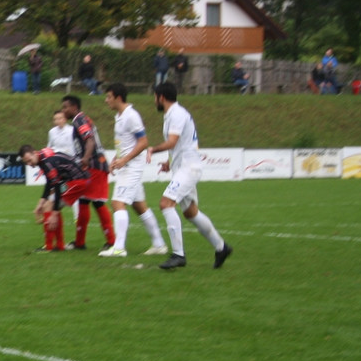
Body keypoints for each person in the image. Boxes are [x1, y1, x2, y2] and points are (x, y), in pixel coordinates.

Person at [146, 82, 233, 270]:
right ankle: (221, 247)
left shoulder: (176, 113)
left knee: (165, 204)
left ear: (161, 97)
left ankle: (178, 254)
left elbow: (172, 141)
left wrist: (153, 149)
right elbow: (180, 144)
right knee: (191, 213)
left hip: (188, 168)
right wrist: (170, 163)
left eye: (155, 97)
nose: (154, 101)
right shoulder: (172, 114)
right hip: (183, 167)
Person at [100, 83, 168, 258]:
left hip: (132, 167)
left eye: (108, 96)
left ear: (118, 97)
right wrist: (116, 159)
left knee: (117, 203)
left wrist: (124, 160)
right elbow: (124, 143)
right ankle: (159, 245)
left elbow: (143, 142)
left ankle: (119, 248)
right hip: (126, 165)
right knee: (139, 207)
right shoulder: (120, 116)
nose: (106, 100)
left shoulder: (131, 116)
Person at [60, 95, 116, 250]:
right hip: (93, 166)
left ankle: (112, 241)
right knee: (83, 201)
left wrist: (85, 159)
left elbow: (89, 140)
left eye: (65, 107)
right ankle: (80, 242)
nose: (63, 110)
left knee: (98, 202)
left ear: (74, 107)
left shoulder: (79, 120)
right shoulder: (81, 119)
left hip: (95, 166)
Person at [18, 145, 89, 252]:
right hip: (75, 180)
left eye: (29, 160)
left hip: (78, 182)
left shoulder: (47, 162)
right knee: (48, 206)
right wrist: (40, 203)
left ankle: (49, 246)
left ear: (34, 153)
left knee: (49, 207)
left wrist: (54, 213)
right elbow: (50, 183)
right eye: (26, 162)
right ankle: (59, 246)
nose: (29, 164)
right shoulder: (42, 158)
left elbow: (55, 185)